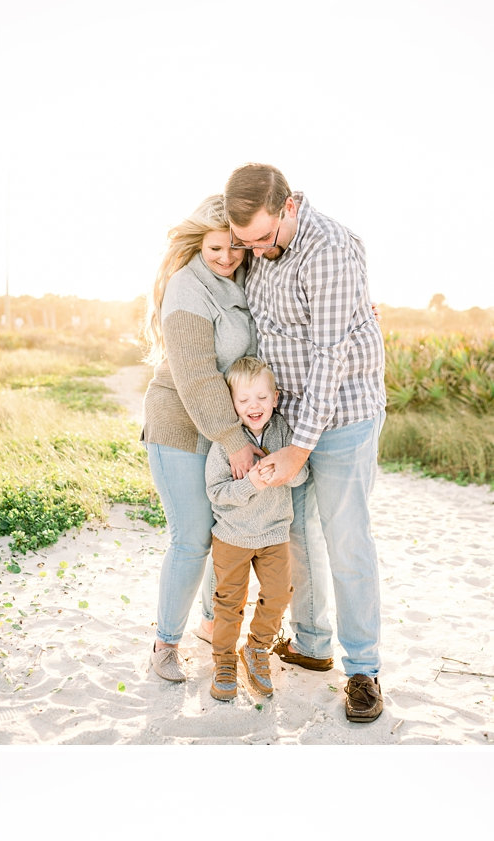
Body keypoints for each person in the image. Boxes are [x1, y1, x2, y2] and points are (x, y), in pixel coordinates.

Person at [225, 164, 388, 724]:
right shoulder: (260, 243)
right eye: (246, 242)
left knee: (347, 541)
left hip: (342, 415)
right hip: (286, 416)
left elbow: (328, 359)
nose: (257, 252)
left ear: (289, 205)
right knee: (295, 535)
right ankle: (313, 643)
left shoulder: (328, 250)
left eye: (264, 239)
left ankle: (363, 670)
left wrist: (298, 449)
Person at [141, 196, 262, 683]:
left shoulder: (241, 281)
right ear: (199, 243)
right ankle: (164, 645)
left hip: (220, 427)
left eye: (237, 246)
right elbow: (195, 378)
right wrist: (235, 440)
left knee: (226, 534)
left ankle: (211, 626)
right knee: (191, 539)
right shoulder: (188, 287)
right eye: (216, 246)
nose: (228, 256)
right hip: (179, 423)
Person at [203, 356, 306, 703]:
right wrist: (251, 483)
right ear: (232, 402)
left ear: (275, 398)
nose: (254, 406)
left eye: (262, 397)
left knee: (279, 594)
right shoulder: (225, 443)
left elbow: (303, 474)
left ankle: (257, 649)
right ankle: (224, 661)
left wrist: (280, 470)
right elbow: (216, 492)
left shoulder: (284, 433)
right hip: (232, 537)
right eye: (244, 399)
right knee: (228, 603)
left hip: (275, 534)